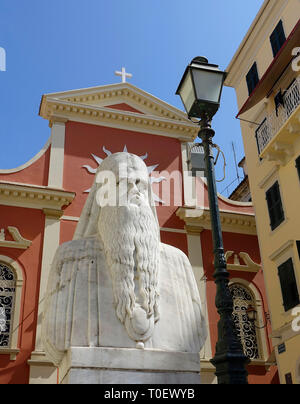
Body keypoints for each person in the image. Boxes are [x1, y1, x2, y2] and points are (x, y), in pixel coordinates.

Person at [42, 152, 206, 367]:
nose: (134, 191)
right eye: (122, 183)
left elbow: (197, 335)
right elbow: (55, 340)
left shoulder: (179, 263)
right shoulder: (70, 259)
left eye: (140, 183)